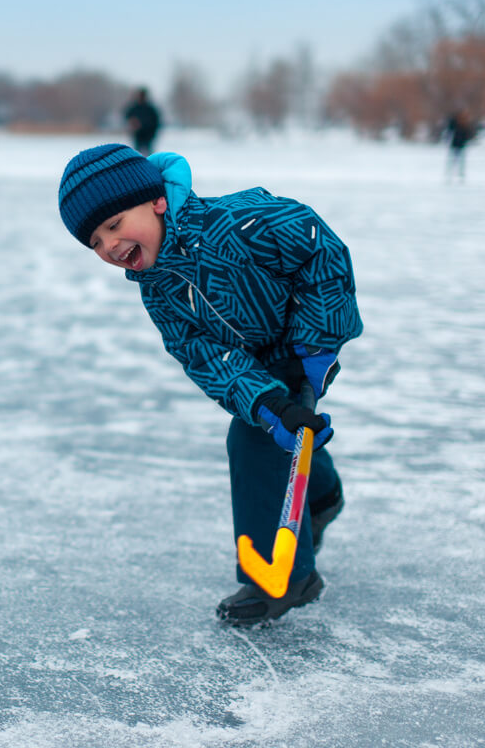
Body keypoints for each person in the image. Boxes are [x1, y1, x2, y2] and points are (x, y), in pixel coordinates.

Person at [57, 144, 363, 626]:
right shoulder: (158, 290)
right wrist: (264, 403)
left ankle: (285, 579)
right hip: (254, 364)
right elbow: (202, 354)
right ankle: (321, 494)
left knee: (252, 442)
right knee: (275, 427)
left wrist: (317, 344)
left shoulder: (236, 223)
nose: (109, 246)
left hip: (304, 338)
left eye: (114, 225)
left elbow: (318, 247)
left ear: (156, 201)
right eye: (95, 241)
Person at [123, 87, 160, 156]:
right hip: (138, 135)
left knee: (149, 155)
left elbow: (156, 122)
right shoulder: (134, 108)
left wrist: (152, 133)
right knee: (136, 154)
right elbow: (127, 116)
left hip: (148, 135)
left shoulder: (150, 109)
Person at [444, 110, 475, 182]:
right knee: (454, 160)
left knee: (459, 160)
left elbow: (468, 134)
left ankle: (459, 173)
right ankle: (451, 172)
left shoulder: (464, 124)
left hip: (460, 144)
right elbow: (450, 128)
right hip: (456, 144)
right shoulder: (456, 123)